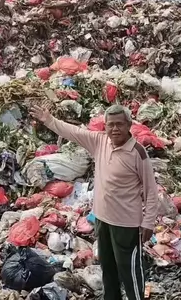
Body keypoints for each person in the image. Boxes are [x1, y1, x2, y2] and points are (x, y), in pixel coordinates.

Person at [30, 104, 158, 300]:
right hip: (102, 219)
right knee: (107, 266)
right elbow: (73, 132)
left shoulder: (138, 153)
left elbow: (151, 190)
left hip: (126, 224)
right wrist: (49, 120)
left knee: (129, 270)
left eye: (119, 124)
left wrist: (148, 222)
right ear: (105, 127)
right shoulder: (100, 142)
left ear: (129, 125)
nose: (115, 129)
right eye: (110, 125)